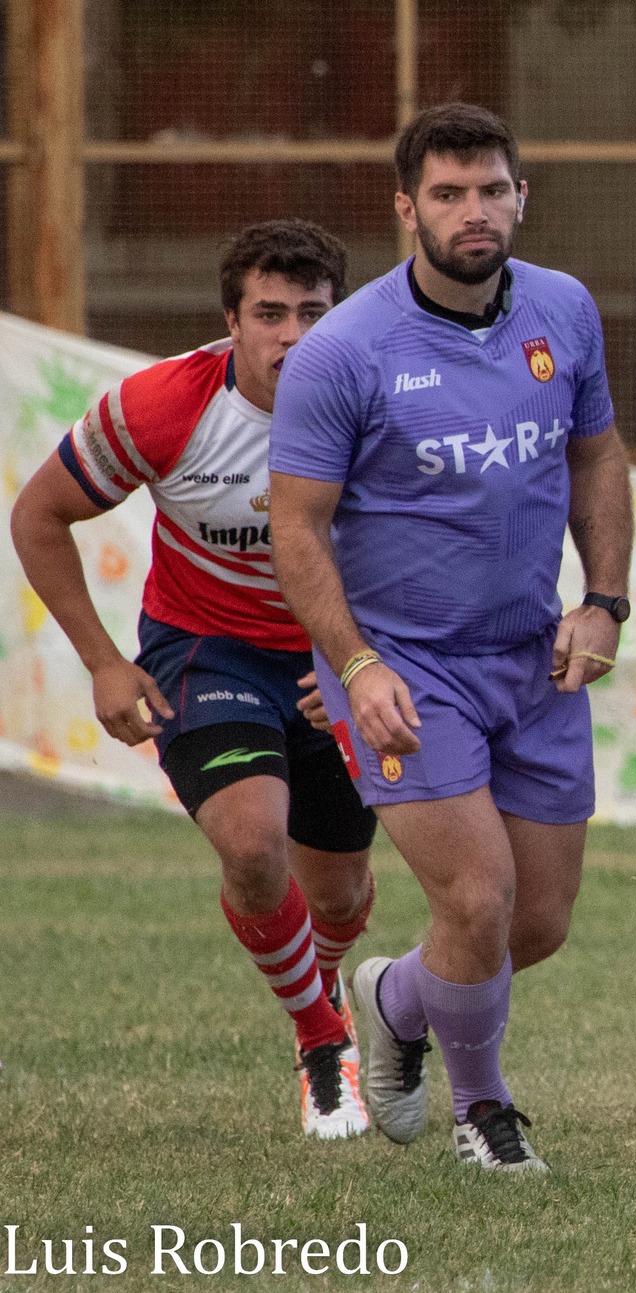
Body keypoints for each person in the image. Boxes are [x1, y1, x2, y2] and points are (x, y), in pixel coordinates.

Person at [268, 103, 634, 1174]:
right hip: (402, 666)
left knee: (535, 925)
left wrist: (602, 599)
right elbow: (296, 528)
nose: (472, 212)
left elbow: (597, 459)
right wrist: (355, 665)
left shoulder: (563, 311)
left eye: (490, 190)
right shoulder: (343, 352)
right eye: (446, 194)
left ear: (521, 196)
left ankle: (392, 994)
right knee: (476, 898)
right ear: (405, 210)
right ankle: (487, 1111)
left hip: (533, 652)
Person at [10, 220, 378, 1141]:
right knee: (254, 848)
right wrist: (103, 660)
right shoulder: (162, 404)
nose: (292, 336)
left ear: (342, 318)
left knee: (342, 897)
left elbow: (429, 550)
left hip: (337, 657)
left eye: (312, 313)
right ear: (231, 320)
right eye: (269, 314)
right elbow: (39, 515)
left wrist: (358, 663)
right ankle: (322, 1042)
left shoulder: (386, 403)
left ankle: (318, 980)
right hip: (205, 649)